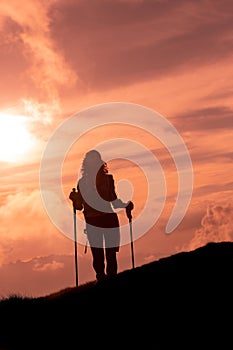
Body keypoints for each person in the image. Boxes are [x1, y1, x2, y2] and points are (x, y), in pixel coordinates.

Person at [69, 149, 134, 282]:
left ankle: (109, 279)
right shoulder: (83, 183)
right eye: (91, 161)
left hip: (105, 219)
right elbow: (79, 206)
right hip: (95, 221)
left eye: (95, 160)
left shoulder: (107, 180)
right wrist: (75, 199)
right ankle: (102, 278)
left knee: (110, 254)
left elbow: (114, 201)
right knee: (98, 255)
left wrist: (125, 204)